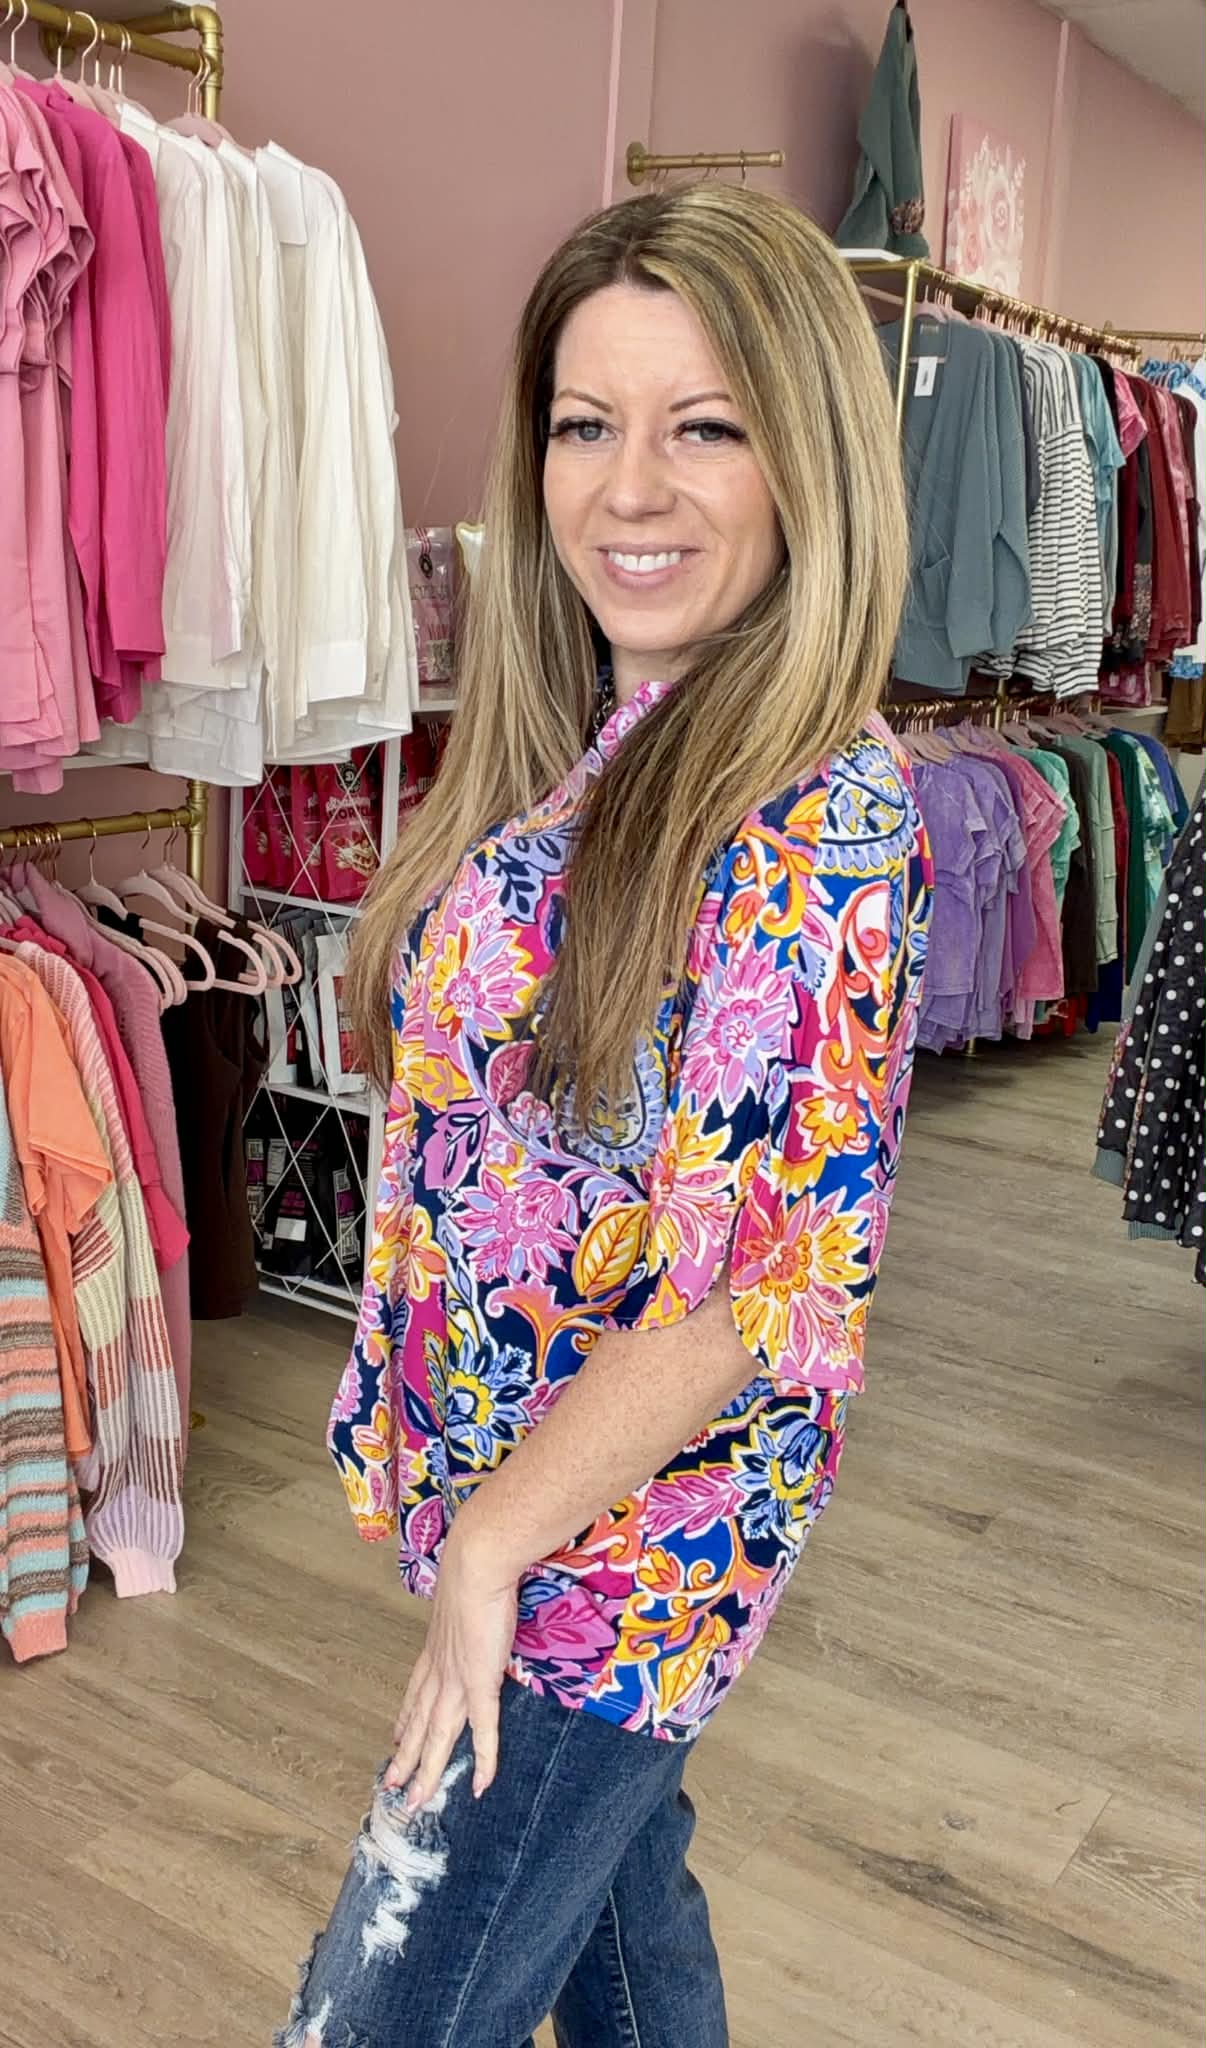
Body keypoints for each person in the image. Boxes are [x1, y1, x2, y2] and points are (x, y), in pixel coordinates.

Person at [277, 181, 932, 2048]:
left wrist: (495, 1550)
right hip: (526, 1489)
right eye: (585, 425)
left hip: (616, 1557)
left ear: (802, 458)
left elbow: (760, 1289)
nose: (628, 489)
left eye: (702, 426)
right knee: (624, 1933)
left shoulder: (811, 819)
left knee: (380, 2015)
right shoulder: (596, 740)